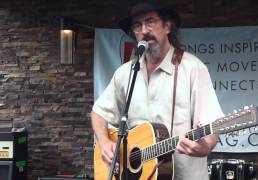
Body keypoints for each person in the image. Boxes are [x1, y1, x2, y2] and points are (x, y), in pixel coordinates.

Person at [91, 2, 224, 180]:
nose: (144, 30)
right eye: (137, 25)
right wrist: (105, 141)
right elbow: (98, 113)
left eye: (150, 21)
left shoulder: (192, 68)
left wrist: (205, 147)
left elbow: (212, 122)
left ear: (168, 26)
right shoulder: (126, 73)